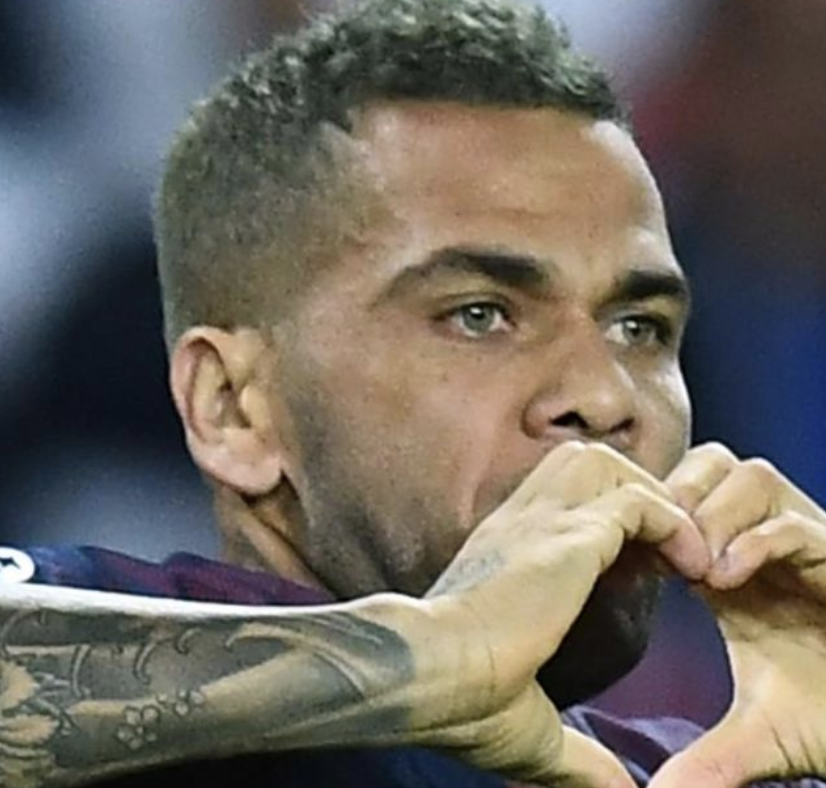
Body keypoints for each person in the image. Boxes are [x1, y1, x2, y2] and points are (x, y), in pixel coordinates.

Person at [2, 1, 826, 786]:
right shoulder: (107, 706)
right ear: (233, 407)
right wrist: (416, 658)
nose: (605, 397)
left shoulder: (710, 769)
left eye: (639, 328)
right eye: (479, 315)